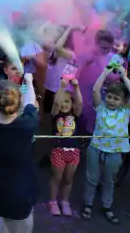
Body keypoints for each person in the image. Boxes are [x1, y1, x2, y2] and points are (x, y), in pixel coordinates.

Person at [0, 74, 39, 233]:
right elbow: (30, 104)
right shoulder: (27, 125)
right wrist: (29, 82)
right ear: (18, 102)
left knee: (3, 219)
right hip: (17, 196)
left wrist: (2, 92)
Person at [82, 64, 130, 224]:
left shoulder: (126, 111)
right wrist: (105, 72)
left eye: (116, 98)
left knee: (109, 181)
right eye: (110, 97)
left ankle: (107, 206)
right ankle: (88, 204)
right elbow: (95, 90)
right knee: (92, 177)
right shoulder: (100, 108)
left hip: (115, 151)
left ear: (123, 101)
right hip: (96, 148)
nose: (111, 100)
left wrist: (124, 76)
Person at [48, 78, 83, 216]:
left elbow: (79, 102)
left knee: (68, 179)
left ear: (71, 104)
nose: (63, 104)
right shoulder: (55, 114)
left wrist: (76, 87)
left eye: (67, 101)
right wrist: (61, 87)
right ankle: (52, 202)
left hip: (73, 151)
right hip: (58, 151)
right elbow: (56, 102)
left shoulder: (75, 114)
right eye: (62, 101)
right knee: (57, 178)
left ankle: (65, 201)